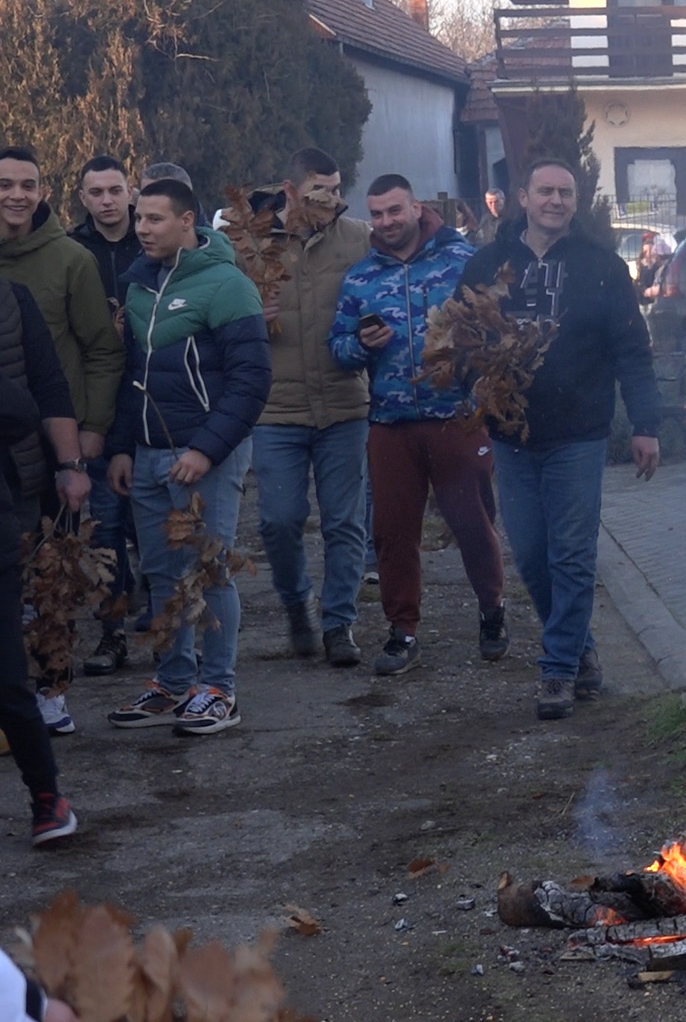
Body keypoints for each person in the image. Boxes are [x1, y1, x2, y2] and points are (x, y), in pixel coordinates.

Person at [459, 159, 661, 720]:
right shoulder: (487, 264)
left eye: (565, 192)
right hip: (511, 436)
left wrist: (645, 425)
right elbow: (457, 340)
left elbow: (632, 351)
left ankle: (558, 669)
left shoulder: (600, 268)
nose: (555, 200)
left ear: (577, 201)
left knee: (572, 553)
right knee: (530, 554)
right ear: (523, 197)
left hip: (578, 433)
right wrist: (469, 380)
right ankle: (581, 650)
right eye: (544, 190)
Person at [105, 179, 268, 735]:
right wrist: (124, 448)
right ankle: (175, 684)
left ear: (188, 221)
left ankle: (219, 689)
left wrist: (205, 448)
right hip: (148, 457)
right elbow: (135, 377)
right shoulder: (139, 285)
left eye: (154, 219)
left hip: (203, 457)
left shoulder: (227, 286)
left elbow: (250, 382)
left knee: (209, 570)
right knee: (160, 573)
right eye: (139, 219)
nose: (142, 229)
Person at [332, 174, 508, 675]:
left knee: (473, 523)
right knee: (392, 533)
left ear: (415, 209)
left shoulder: (460, 262)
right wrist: (360, 345)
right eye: (378, 214)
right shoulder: (361, 278)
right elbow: (338, 347)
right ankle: (402, 631)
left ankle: (493, 610)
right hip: (390, 423)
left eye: (395, 211)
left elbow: (498, 325)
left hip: (455, 416)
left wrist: (477, 359)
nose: (387, 222)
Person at [0, 146, 122, 732]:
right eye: (4, 185)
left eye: (27, 184)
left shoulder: (70, 259)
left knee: (51, 576)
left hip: (56, 435)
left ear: (44, 192)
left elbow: (101, 348)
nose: (15, 196)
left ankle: (53, 690)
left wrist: (93, 428)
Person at [245, 148, 372, 666]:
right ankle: (298, 605)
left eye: (339, 188)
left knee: (345, 523)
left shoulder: (358, 239)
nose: (335, 200)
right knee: (278, 520)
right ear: (291, 191)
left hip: (345, 403)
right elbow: (215, 319)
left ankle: (339, 623)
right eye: (323, 190)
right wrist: (251, 312)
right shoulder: (249, 245)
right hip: (276, 408)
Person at [0, 271, 87, 845]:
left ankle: (47, 798)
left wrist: (68, 462)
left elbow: (22, 407)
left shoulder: (13, 294)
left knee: (7, 682)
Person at [68, 155, 144, 677]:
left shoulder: (153, 239)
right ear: (83, 198)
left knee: (157, 529)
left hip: (151, 397)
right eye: (96, 193)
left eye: (115, 190)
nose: (107, 201)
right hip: (98, 398)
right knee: (104, 532)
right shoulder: (72, 252)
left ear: (130, 191)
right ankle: (112, 633)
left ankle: (169, 631)